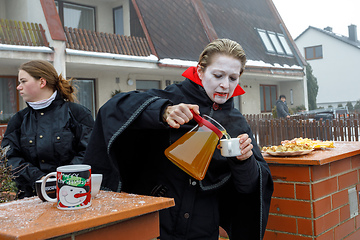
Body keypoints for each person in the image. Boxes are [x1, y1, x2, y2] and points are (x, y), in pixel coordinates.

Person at [83, 39, 273, 239]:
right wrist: (162, 112)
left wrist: (244, 161)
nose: (225, 85)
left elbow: (250, 186)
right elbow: (113, 109)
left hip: (203, 228)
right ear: (200, 71)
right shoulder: (171, 99)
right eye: (218, 75)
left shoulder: (237, 123)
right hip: (157, 220)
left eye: (233, 78)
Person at [1, 60, 94, 199]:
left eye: (23, 81)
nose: (18, 87)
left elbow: (91, 152)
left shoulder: (77, 114)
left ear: (42, 82)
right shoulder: (18, 120)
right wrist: (39, 179)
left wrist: (62, 179)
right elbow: (8, 158)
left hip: (74, 196)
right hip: (31, 200)